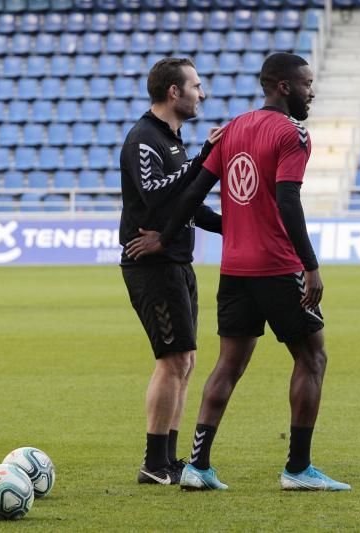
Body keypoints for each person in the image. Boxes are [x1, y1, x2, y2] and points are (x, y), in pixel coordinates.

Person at [126, 52, 350, 491]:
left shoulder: (234, 129)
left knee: (227, 364)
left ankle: (197, 466)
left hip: (235, 270)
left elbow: (194, 191)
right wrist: (311, 265)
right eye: (306, 83)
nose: (312, 91)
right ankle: (298, 469)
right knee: (312, 356)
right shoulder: (293, 134)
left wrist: (164, 235)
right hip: (278, 265)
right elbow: (288, 199)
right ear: (284, 86)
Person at [119, 57, 223, 485]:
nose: (204, 93)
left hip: (177, 260)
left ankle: (168, 459)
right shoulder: (144, 138)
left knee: (186, 360)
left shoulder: (171, 138)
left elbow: (188, 205)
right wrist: (203, 159)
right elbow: (156, 192)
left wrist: (234, 223)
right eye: (197, 85)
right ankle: (154, 462)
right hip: (152, 266)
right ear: (174, 92)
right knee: (172, 359)